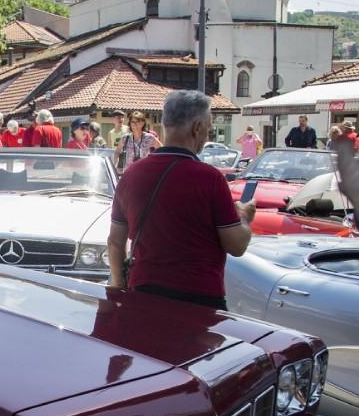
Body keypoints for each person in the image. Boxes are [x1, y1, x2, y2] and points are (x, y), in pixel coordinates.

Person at [107, 90, 256, 310]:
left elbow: (115, 241)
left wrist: (120, 287)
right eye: (208, 127)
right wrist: (243, 217)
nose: (208, 134)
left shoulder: (131, 175)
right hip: (198, 299)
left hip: (143, 295)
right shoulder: (210, 179)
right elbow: (237, 245)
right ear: (197, 127)